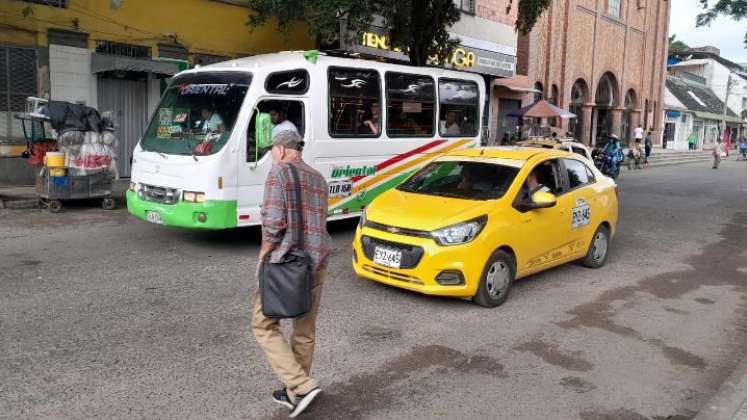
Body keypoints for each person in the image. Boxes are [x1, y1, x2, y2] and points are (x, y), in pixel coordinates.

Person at [252, 130, 333, 418]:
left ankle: (301, 383)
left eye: (272, 150)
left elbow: (273, 222)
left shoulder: (279, 173)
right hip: (316, 263)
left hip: (285, 263)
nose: (271, 155)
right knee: (304, 329)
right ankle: (295, 393)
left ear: (282, 149)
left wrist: (263, 254)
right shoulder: (318, 178)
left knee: (263, 325)